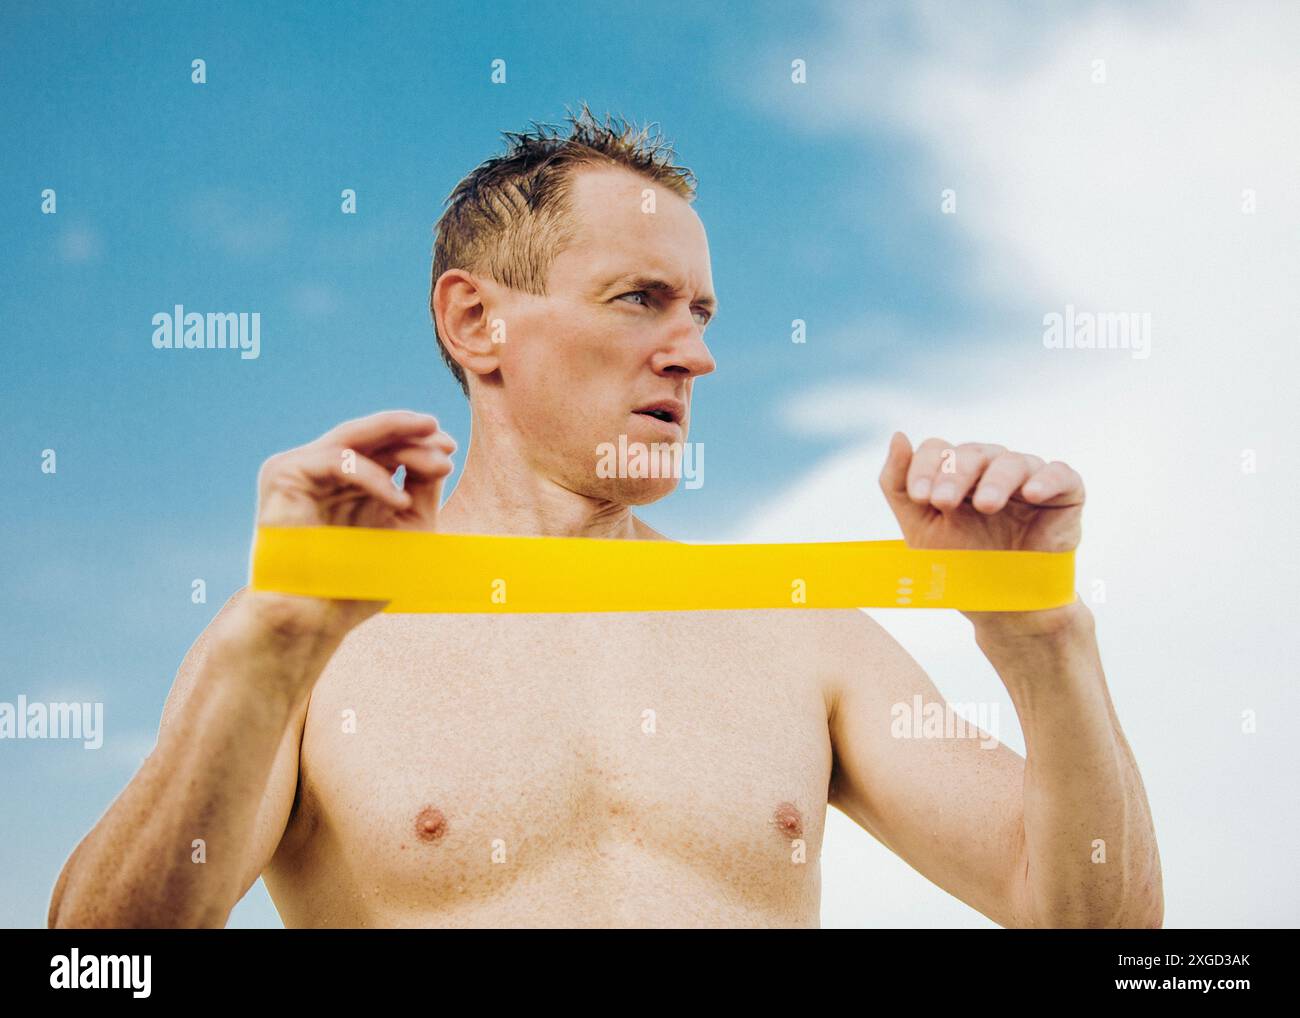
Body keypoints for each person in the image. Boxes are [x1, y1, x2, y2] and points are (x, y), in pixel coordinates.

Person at [48, 106, 1162, 929]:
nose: (695, 351)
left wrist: (1041, 638)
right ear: (475, 320)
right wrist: (271, 647)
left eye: (701, 310)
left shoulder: (792, 626)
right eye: (640, 300)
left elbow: (1101, 932)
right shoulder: (308, 637)